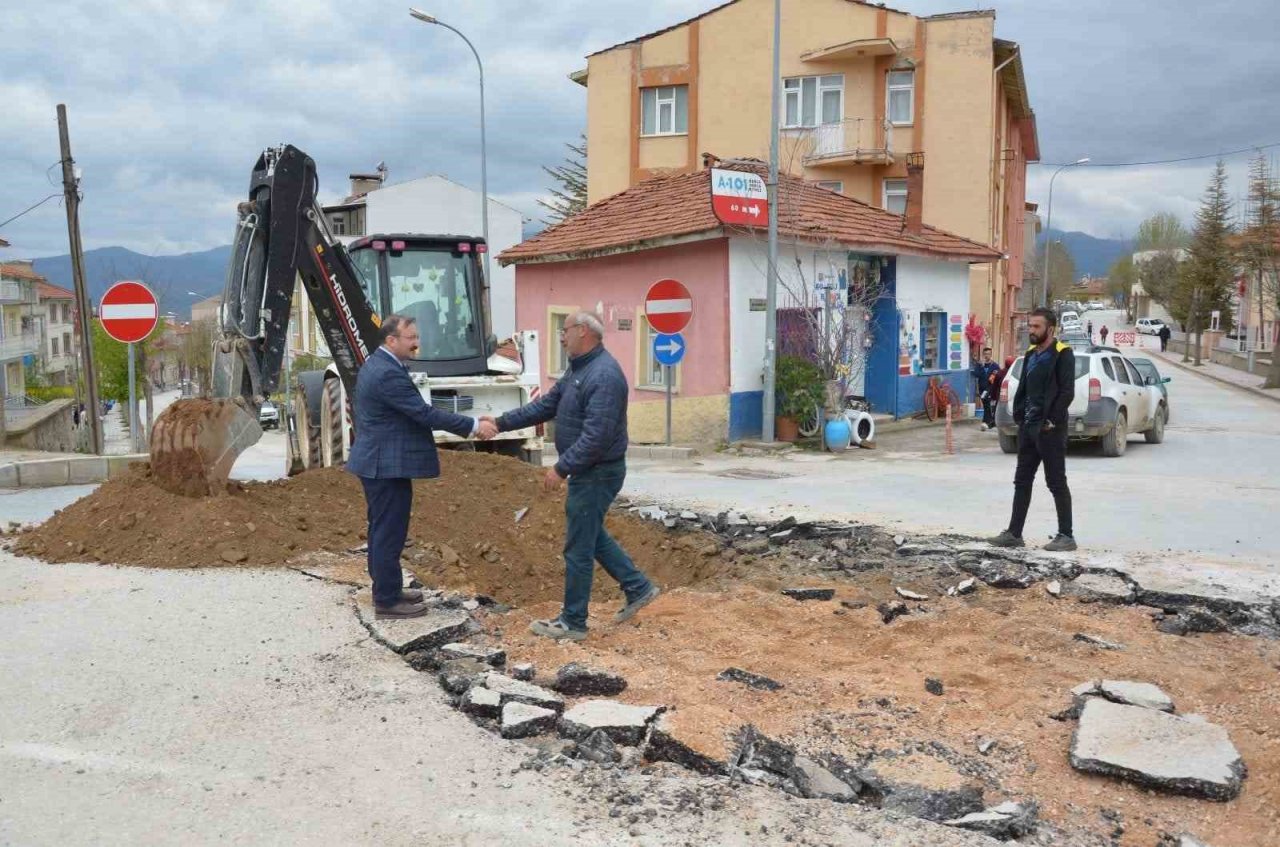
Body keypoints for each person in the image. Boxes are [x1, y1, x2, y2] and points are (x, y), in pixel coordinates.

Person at [483, 311, 658, 642]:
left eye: (564, 331)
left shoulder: (604, 375)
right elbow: (545, 406)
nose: (561, 337)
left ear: (583, 332)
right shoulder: (580, 370)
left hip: (597, 472)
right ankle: (639, 588)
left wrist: (563, 468)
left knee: (578, 546)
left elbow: (597, 436)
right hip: (589, 471)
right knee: (590, 535)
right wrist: (501, 422)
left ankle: (573, 622)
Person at [346, 314, 498, 619]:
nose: (417, 343)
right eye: (411, 338)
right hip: (383, 465)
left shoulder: (381, 365)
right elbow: (423, 413)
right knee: (389, 532)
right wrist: (472, 424)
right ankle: (387, 601)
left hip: (381, 463)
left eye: (416, 336)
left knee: (382, 530)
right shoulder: (387, 373)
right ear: (391, 340)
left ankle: (387, 590)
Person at [988, 307, 1077, 552]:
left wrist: (1051, 420)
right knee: (1022, 481)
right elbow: (1025, 388)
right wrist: (1020, 417)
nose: (1032, 330)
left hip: (1050, 430)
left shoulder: (1062, 354)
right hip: (1028, 428)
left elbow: (1066, 392)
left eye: (1037, 326)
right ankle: (1014, 533)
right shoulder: (1030, 354)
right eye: (1030, 325)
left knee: (1056, 482)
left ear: (1051, 328)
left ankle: (1066, 535)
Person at [970, 347, 999, 430]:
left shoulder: (995, 366)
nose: (987, 356)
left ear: (991, 355)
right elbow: (976, 374)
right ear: (983, 355)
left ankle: (986, 421)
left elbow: (998, 376)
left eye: (988, 354)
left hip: (990, 388)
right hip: (982, 388)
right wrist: (980, 367)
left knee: (987, 404)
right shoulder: (980, 365)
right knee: (986, 404)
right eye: (985, 354)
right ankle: (989, 421)